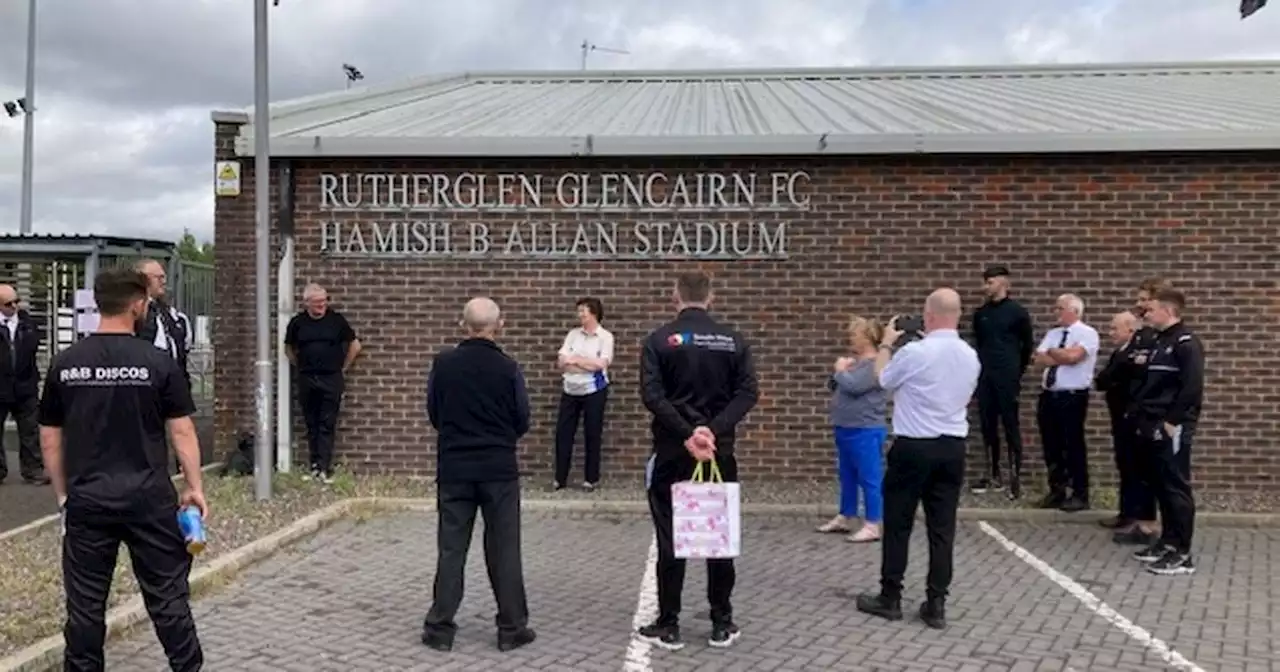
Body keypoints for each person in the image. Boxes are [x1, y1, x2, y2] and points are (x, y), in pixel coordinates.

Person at [38, 267, 207, 671]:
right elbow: (182, 432)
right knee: (167, 599)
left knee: (85, 607)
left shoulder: (65, 364)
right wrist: (194, 487)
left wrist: (64, 496)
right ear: (137, 304)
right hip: (148, 499)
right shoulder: (158, 363)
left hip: (88, 502)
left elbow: (49, 437)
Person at [635, 271, 759, 651]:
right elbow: (748, 392)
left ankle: (668, 623)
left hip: (674, 452)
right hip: (717, 454)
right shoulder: (734, 341)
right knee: (717, 537)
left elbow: (652, 395)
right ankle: (722, 621)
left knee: (670, 537)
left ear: (676, 297)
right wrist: (713, 430)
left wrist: (687, 433)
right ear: (711, 297)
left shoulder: (659, 340)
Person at [855, 288, 980, 631]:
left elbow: (882, 380)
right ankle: (936, 603)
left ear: (929, 316)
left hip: (914, 446)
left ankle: (890, 596)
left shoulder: (914, 352)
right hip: (952, 446)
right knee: (942, 529)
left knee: (898, 524)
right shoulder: (971, 355)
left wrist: (885, 344)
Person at [422, 297, 535, 653]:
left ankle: (440, 628)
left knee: (451, 549)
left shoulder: (443, 365)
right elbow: (522, 419)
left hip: (454, 468)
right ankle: (511, 627)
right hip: (498, 469)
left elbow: (434, 412)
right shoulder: (508, 368)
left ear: (463, 325)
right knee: (504, 550)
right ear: (498, 325)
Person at [1128, 288, 1205, 576]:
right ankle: (1168, 541)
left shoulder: (1186, 343)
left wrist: (1173, 421)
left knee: (1176, 487)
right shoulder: (1159, 341)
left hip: (1171, 425)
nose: (1148, 312)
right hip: (1151, 422)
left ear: (1169, 311)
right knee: (1160, 484)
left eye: (1153, 308)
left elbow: (1192, 388)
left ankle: (1183, 553)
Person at [1097, 278, 1170, 538]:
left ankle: (1145, 521)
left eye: (1144, 300)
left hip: (1141, 413)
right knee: (1128, 465)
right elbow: (1108, 375)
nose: (1139, 305)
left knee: (1143, 469)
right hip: (1124, 412)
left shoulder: (1154, 339)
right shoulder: (1140, 337)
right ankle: (1130, 515)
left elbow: (1134, 373)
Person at [816, 316, 889, 543]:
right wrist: (839, 372)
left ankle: (873, 522)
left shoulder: (876, 363)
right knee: (847, 475)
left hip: (865, 428)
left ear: (867, 338)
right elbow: (835, 385)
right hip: (846, 426)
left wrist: (840, 371)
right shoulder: (855, 363)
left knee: (869, 477)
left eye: (855, 335)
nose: (851, 339)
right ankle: (847, 514)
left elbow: (855, 386)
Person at [284, 283, 362, 483]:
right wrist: (301, 366)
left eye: (324, 301)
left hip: (331, 377)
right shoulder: (297, 323)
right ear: (307, 303)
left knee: (327, 423)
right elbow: (288, 349)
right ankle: (314, 466)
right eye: (317, 302)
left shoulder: (336, 321)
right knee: (311, 423)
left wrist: (343, 367)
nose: (322, 305)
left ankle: (325, 468)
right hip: (307, 378)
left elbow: (355, 345)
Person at [1094, 311, 1158, 545]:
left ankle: (1138, 517)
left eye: (1115, 329)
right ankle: (1126, 512)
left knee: (1135, 467)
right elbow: (1102, 380)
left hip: (1131, 416)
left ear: (1129, 330)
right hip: (1118, 416)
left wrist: (1109, 378)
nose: (1111, 333)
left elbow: (1113, 377)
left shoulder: (1133, 354)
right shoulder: (1120, 353)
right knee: (1124, 465)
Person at [970, 265, 1034, 498]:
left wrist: (1016, 371)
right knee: (988, 425)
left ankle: (1015, 478)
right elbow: (979, 344)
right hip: (985, 376)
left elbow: (1027, 345)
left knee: (1010, 425)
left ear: (1004, 283)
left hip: (1007, 376)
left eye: (990, 282)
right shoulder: (981, 314)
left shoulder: (1017, 312)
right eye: (985, 282)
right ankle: (993, 475)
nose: (985, 287)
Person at [1033, 294, 1100, 513]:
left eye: (1060, 308)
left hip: (1072, 396)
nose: (1056, 312)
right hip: (1049, 394)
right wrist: (1059, 354)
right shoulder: (1053, 333)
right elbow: (1038, 359)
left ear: (1075, 311)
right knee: (1051, 444)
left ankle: (1079, 492)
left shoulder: (1087, 333)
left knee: (1072, 444)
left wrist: (1056, 354)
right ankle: (1057, 490)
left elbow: (1074, 357)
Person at [552, 297, 615, 492]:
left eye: (583, 311)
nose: (580, 315)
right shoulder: (573, 335)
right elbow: (562, 362)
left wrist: (576, 360)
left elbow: (601, 364)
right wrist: (584, 363)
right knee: (563, 433)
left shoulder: (605, 337)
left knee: (592, 433)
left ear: (594, 314)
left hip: (593, 390)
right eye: (578, 311)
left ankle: (591, 478)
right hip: (570, 389)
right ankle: (560, 478)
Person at [0, 283, 49, 485]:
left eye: (16, 301)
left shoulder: (27, 322)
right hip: (0, 385)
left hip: (24, 384)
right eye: (9, 303)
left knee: (30, 430)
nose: (15, 306)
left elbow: (33, 345)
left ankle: (33, 469)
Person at [134, 259, 190, 389]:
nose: (164, 282)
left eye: (164, 277)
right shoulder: (132, 312)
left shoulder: (173, 315)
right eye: (158, 278)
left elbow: (182, 353)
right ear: (143, 280)